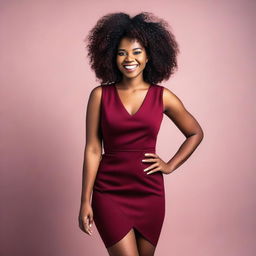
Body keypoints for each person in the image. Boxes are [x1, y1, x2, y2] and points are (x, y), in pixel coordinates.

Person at [78, 12, 204, 256]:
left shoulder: (163, 96)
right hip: (109, 192)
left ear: (149, 57)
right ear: (111, 57)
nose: (129, 59)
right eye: (122, 52)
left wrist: (170, 165)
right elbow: (93, 149)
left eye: (136, 52)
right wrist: (85, 199)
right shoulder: (99, 96)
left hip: (150, 192)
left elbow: (195, 133)